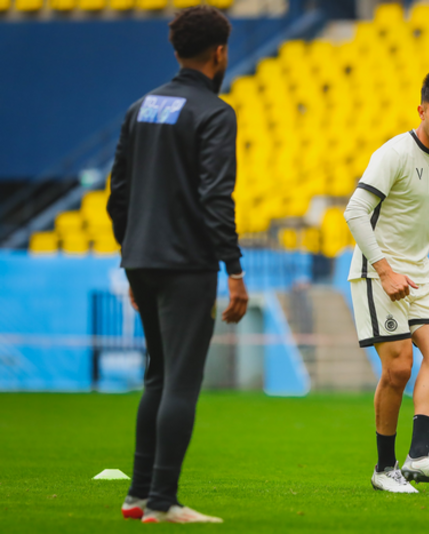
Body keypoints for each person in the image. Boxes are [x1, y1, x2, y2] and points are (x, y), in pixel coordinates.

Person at [107, 5, 248, 523]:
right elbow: (216, 196)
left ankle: (137, 495)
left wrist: (132, 258)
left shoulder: (139, 107)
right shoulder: (215, 113)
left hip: (141, 257)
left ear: (176, 49)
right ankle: (162, 502)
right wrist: (233, 269)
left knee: (157, 378)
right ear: (220, 52)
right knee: (181, 382)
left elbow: (117, 194)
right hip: (186, 263)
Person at [343, 70, 429, 493]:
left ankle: (419, 457)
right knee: (398, 367)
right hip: (377, 271)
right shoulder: (394, 153)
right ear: (421, 110)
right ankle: (384, 469)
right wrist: (384, 269)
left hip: (418, 272)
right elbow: (355, 212)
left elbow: (417, 219)